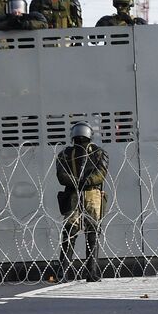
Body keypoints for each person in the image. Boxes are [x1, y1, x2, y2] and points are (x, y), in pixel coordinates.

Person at [55, 121, 109, 282]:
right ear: (89, 134)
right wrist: (84, 181)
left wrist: (78, 182)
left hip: (80, 193)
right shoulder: (98, 152)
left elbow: (62, 175)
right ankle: (88, 273)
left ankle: (68, 272)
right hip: (88, 194)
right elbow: (101, 173)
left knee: (76, 232)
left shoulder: (67, 153)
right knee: (84, 232)